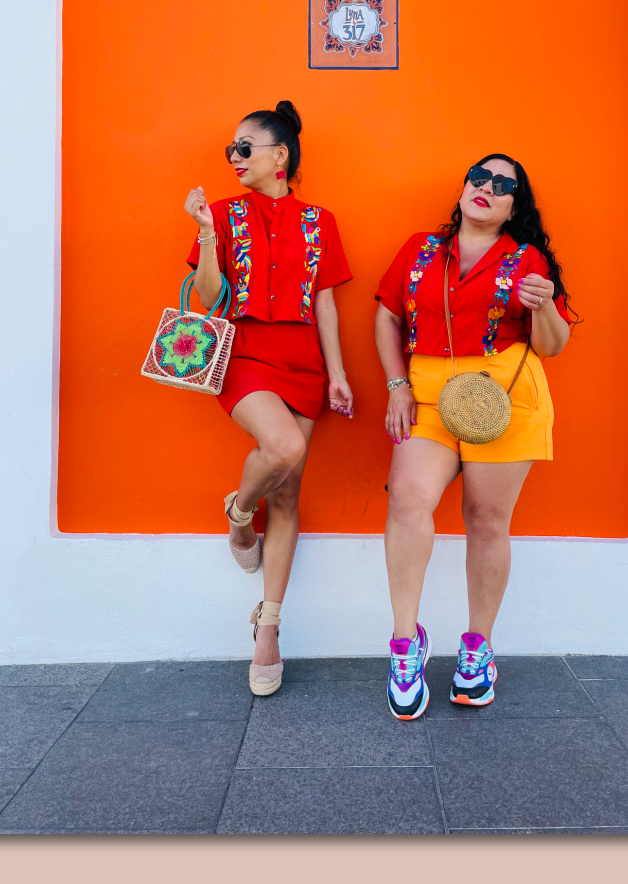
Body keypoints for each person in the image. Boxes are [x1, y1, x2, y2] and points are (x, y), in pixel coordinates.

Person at [372, 153, 575, 719]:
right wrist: (395, 386)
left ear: (515, 206)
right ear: (463, 188)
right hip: (426, 392)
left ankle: (477, 649)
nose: (487, 187)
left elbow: (553, 344)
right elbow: (388, 316)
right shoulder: (421, 250)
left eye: (503, 184)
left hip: (504, 395)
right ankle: (405, 644)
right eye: (479, 178)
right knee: (409, 501)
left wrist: (543, 305)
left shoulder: (527, 260)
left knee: (487, 519)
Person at [182, 100, 355, 697]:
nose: (234, 158)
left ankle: (269, 627)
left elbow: (326, 304)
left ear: (279, 155)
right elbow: (209, 294)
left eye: (244, 147)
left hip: (305, 363)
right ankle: (237, 517)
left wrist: (337, 373)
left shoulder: (319, 220)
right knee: (280, 448)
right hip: (245, 355)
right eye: (231, 149)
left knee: (286, 494)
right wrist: (207, 235)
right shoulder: (223, 215)